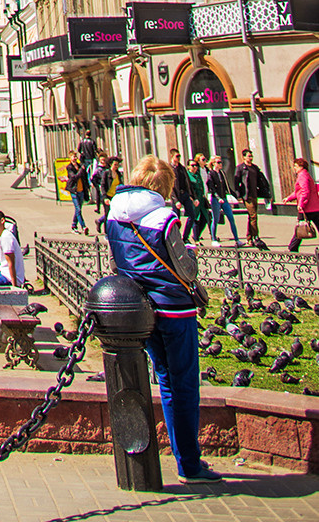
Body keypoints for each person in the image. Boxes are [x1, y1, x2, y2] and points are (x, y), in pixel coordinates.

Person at [105, 155, 219, 482]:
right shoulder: (163, 218)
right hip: (174, 308)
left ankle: (182, 458)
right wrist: (191, 254)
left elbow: (115, 262)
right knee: (185, 384)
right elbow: (185, 269)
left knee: (165, 378)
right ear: (164, 185)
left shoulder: (113, 213)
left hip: (141, 309)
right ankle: (189, 463)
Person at [234, 149, 271, 248]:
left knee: (251, 217)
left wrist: (265, 191)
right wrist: (238, 195)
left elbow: (261, 180)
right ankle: (256, 237)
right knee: (253, 216)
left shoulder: (254, 168)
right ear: (244, 157)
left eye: (251, 156)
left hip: (254, 194)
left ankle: (249, 238)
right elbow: (236, 182)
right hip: (247, 196)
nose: (250, 158)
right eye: (249, 156)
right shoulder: (240, 168)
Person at [285, 154, 319, 253]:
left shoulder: (302, 176)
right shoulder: (306, 175)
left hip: (306, 208)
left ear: (301, 167)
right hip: (314, 207)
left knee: (300, 228)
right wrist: (289, 198)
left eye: (295, 166)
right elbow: (299, 192)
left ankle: (292, 248)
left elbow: (305, 191)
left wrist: (301, 204)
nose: (294, 168)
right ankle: (292, 247)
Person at [206, 154, 239, 245]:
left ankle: (237, 239)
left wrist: (235, 195)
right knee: (215, 219)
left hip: (224, 199)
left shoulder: (222, 173)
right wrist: (218, 198)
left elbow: (226, 186)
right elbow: (211, 188)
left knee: (231, 218)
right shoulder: (211, 174)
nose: (220, 164)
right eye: (218, 162)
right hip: (216, 200)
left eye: (221, 162)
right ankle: (214, 239)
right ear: (213, 163)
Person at [184, 155, 211, 243]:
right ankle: (195, 239)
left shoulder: (198, 174)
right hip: (194, 200)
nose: (195, 167)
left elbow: (202, 185)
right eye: (192, 165)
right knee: (195, 218)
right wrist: (193, 199)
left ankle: (197, 235)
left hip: (201, 199)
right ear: (188, 167)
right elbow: (189, 189)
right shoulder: (188, 175)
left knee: (205, 218)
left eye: (195, 165)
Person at [64, 153, 88, 232]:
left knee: (78, 209)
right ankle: (83, 226)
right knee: (78, 209)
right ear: (70, 158)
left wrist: (87, 187)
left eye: (75, 157)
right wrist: (81, 170)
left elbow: (84, 178)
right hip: (74, 190)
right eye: (73, 157)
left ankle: (74, 225)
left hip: (81, 190)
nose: (75, 158)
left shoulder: (80, 166)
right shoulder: (69, 167)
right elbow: (74, 177)